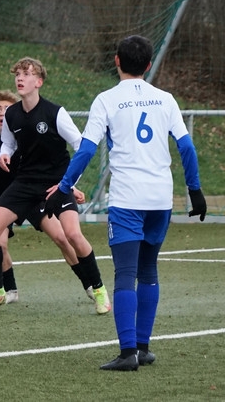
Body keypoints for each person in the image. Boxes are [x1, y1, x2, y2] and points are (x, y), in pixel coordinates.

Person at [45, 35, 206, 371]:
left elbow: (86, 150)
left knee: (125, 274)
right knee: (148, 270)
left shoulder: (107, 100)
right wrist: (195, 190)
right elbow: (187, 147)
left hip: (128, 199)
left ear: (116, 60)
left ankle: (128, 352)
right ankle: (143, 348)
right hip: (160, 198)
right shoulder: (166, 99)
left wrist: (64, 187)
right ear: (148, 64)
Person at [0, 57, 111, 315]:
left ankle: (98, 289)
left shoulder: (55, 113)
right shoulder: (12, 114)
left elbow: (81, 146)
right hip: (25, 182)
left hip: (56, 184)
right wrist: (4, 154)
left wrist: (68, 184)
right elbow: (8, 143)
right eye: (17, 73)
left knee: (72, 235)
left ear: (38, 82)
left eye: (26, 74)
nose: (20, 78)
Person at [0, 90, 88, 306]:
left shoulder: (29, 137)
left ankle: (89, 284)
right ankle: (9, 290)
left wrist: (71, 187)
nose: (2, 113)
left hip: (34, 195)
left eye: (7, 109)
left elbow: (48, 167)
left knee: (62, 237)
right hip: (2, 199)